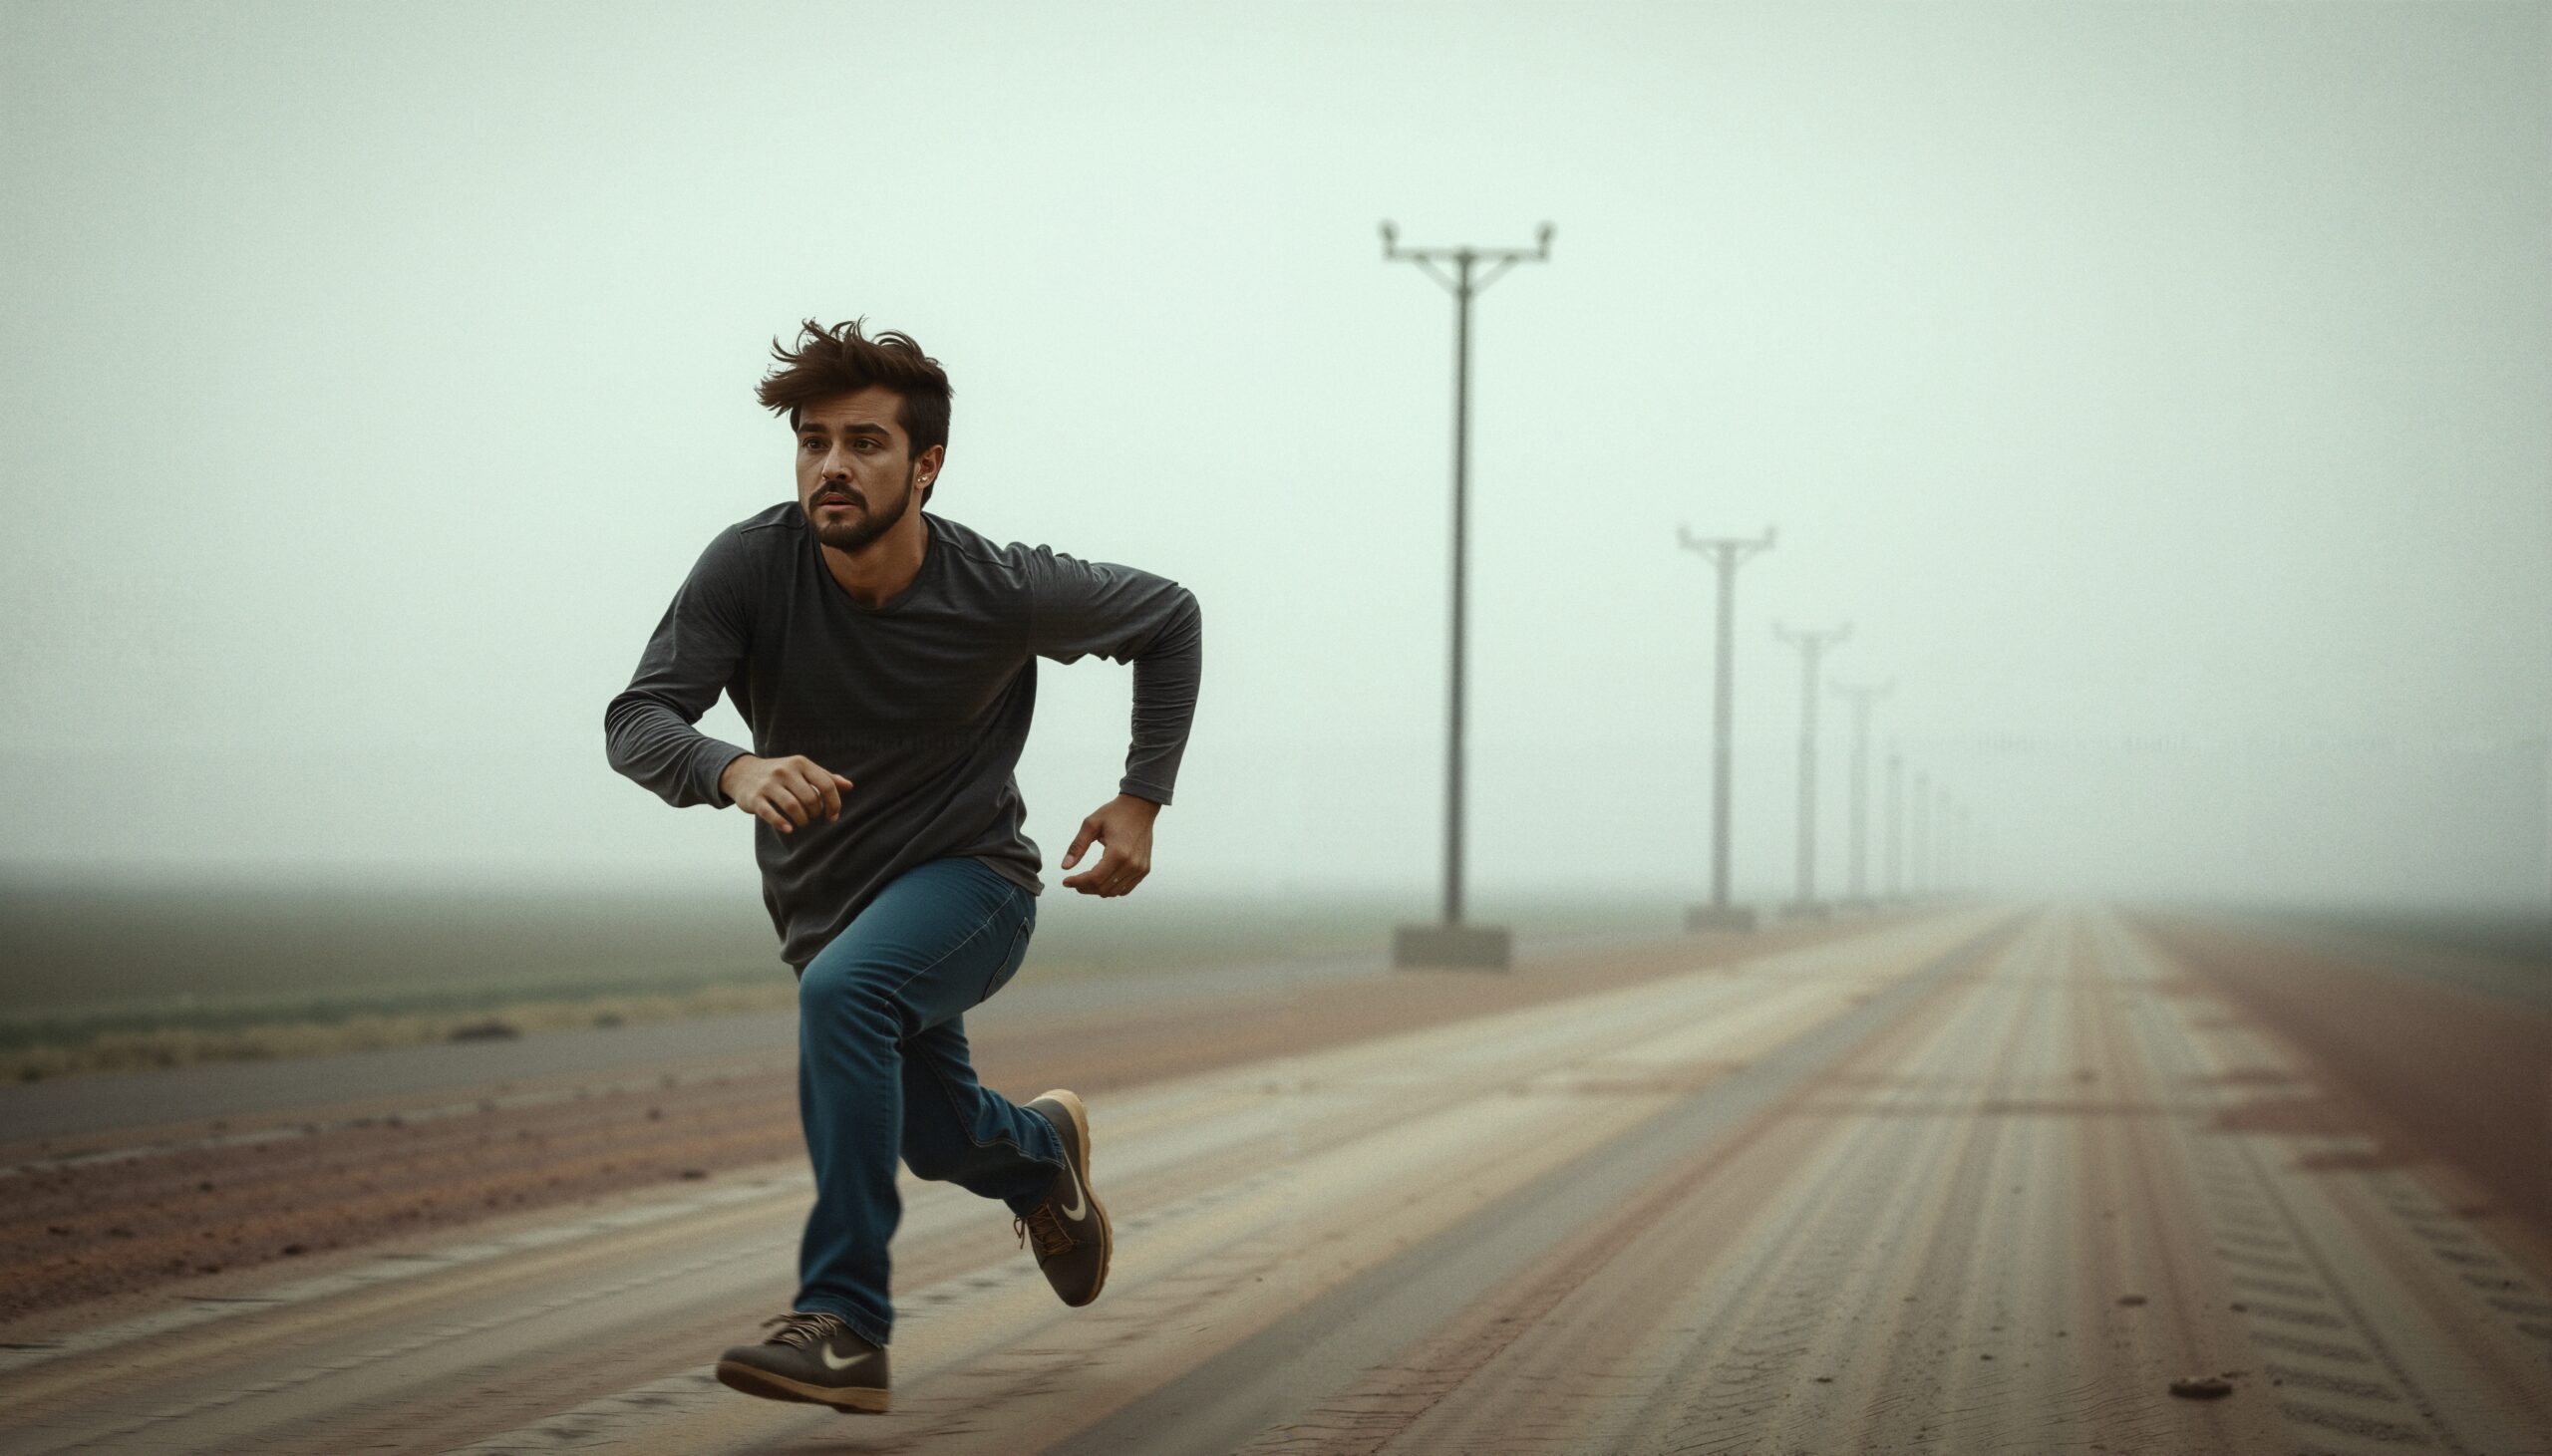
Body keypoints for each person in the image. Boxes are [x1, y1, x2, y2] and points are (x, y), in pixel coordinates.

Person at [604, 320, 1202, 1415]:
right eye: (814, 441)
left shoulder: (1000, 588)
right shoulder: (750, 565)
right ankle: (1039, 1161)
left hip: (973, 885)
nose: (833, 466)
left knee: (849, 993)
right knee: (933, 1134)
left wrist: (1140, 798)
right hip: (826, 910)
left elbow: (1167, 616)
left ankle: (844, 1323)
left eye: (867, 443)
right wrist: (730, 769)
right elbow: (638, 719)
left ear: (926, 464)